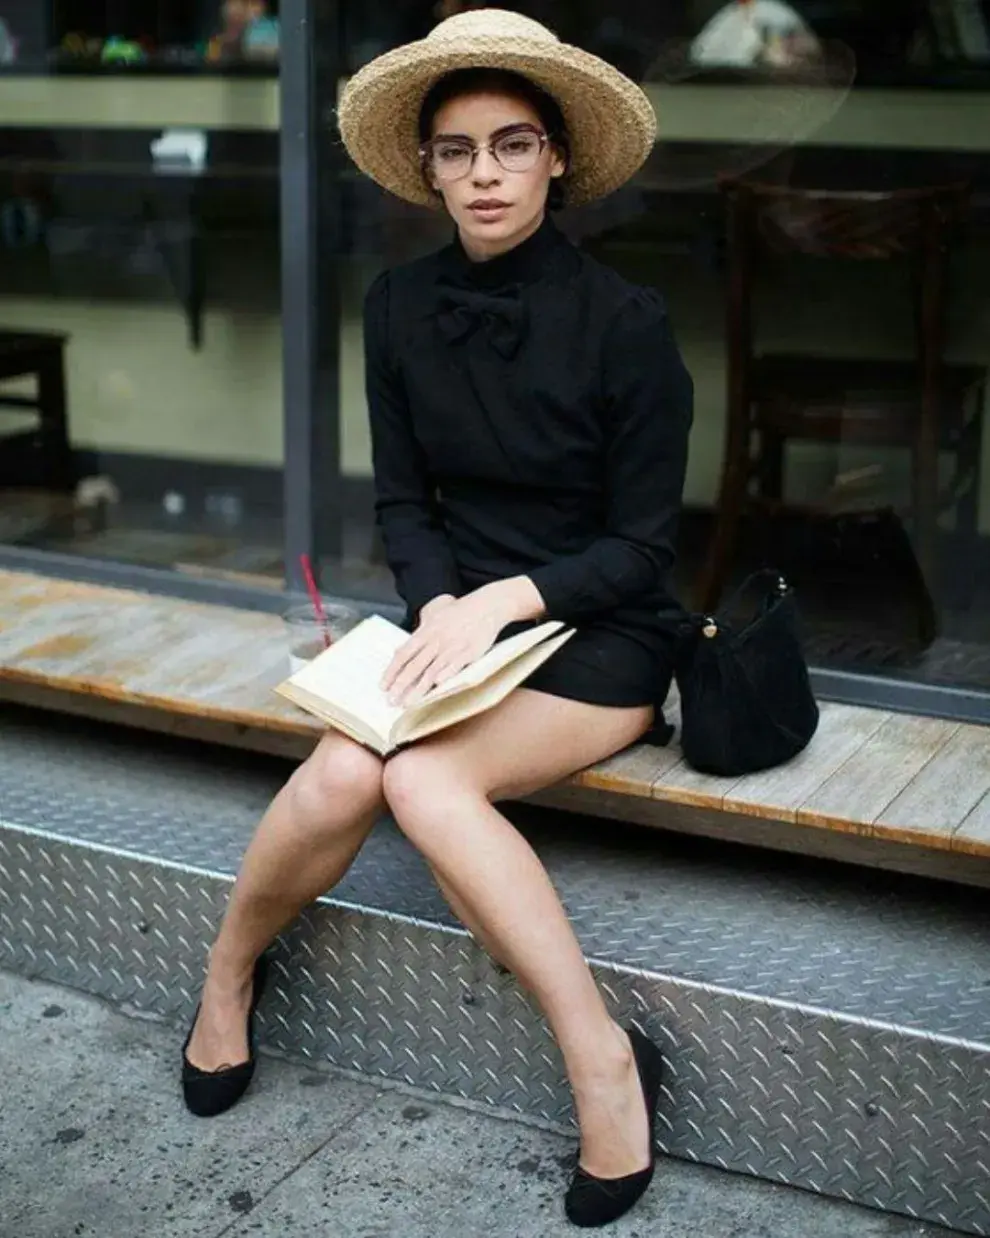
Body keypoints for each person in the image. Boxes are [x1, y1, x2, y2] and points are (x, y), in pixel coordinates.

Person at [181, 9, 693, 1228]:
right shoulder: (399, 307)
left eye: (511, 146)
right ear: (430, 170)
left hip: (597, 626)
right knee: (335, 781)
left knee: (422, 786)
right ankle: (224, 976)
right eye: (457, 152)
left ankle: (603, 1061)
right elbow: (405, 504)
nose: (484, 175)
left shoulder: (629, 323)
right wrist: (444, 604)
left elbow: (643, 547)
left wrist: (507, 601)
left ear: (556, 158)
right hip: (455, 616)